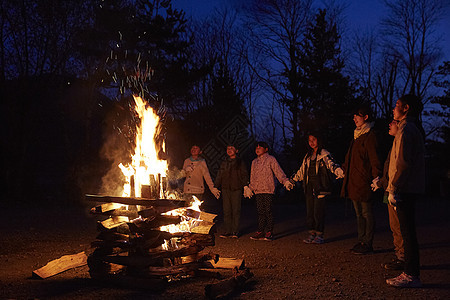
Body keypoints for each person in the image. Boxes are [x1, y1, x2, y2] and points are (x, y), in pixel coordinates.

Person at [384, 94, 425, 288]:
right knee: (407, 231)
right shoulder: (408, 128)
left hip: (405, 189)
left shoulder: (406, 129)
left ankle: (410, 274)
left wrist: (394, 188)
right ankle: (410, 272)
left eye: (397, 105)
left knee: (407, 232)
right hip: (407, 187)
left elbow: (403, 163)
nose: (394, 108)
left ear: (406, 108)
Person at [289, 133, 344, 244]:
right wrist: (292, 180)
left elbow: (331, 164)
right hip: (309, 187)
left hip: (320, 187)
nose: (312, 142)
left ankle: (320, 234)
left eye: (314, 139)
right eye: (309, 140)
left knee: (318, 212)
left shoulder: (324, 154)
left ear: (319, 140)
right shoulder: (307, 156)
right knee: (310, 211)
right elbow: (301, 171)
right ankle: (312, 233)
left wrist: (338, 171)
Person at [341, 104, 381, 254]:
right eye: (354, 116)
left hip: (363, 182)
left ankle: (367, 243)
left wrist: (376, 177)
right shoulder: (356, 136)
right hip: (353, 182)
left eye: (357, 115)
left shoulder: (370, 136)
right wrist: (343, 169)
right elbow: (350, 158)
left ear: (366, 117)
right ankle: (361, 241)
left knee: (366, 213)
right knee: (359, 214)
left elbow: (374, 158)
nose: (354, 118)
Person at [371, 120, 405, 270]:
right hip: (388, 189)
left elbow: (397, 169)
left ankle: (403, 257)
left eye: (393, 123)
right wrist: (381, 183)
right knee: (394, 225)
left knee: (398, 225)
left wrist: (390, 186)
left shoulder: (401, 142)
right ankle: (400, 254)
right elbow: (389, 169)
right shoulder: (394, 144)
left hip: (395, 190)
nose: (389, 124)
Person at [244, 141, 292, 241]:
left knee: (269, 211)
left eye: (260, 147)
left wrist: (285, 181)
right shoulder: (254, 162)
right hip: (258, 191)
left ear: (266, 149)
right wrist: (250, 188)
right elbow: (252, 176)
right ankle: (261, 231)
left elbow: (278, 171)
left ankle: (269, 231)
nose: (257, 149)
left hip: (268, 189)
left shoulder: (271, 159)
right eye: (256, 147)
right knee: (260, 211)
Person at [215, 145, 249, 238]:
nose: (229, 150)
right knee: (226, 210)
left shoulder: (240, 162)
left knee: (236, 210)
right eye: (228, 149)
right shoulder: (224, 162)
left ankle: (235, 231)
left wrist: (245, 185)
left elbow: (244, 174)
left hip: (236, 188)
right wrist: (216, 186)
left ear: (236, 150)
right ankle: (228, 231)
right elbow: (220, 174)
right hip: (225, 188)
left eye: (231, 148)